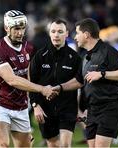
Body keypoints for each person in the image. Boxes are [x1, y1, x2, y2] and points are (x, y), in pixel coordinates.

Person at [52, 18, 118, 148]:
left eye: (77, 33)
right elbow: (78, 81)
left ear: (86, 34)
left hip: (110, 106)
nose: (75, 37)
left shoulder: (107, 51)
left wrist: (102, 74)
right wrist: (59, 88)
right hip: (92, 109)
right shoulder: (86, 56)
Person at [0, 10, 56, 148]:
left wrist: (35, 104)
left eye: (23, 28)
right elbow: (12, 80)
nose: (20, 33)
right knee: (3, 144)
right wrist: (42, 89)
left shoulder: (29, 48)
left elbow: (31, 78)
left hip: (21, 106)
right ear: (7, 28)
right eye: (16, 29)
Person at [29, 18, 81, 147]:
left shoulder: (75, 58)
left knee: (64, 145)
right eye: (53, 31)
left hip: (67, 107)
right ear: (49, 33)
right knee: (53, 144)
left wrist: (83, 108)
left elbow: (80, 82)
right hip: (45, 108)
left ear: (67, 34)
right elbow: (32, 83)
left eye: (60, 31)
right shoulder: (40, 56)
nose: (56, 35)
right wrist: (36, 106)